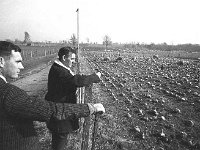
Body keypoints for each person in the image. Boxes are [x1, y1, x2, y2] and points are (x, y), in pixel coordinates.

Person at [0, 41, 105, 150]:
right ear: (1, 61)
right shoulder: (8, 93)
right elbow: (51, 110)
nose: (22, 66)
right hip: (60, 120)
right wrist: (90, 108)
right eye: (17, 61)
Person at [45, 46, 102, 150]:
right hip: (59, 115)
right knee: (60, 140)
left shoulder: (59, 68)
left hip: (59, 111)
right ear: (63, 57)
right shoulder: (60, 71)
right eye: (72, 59)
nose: (74, 62)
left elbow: (74, 79)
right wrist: (94, 77)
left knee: (59, 139)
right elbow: (76, 81)